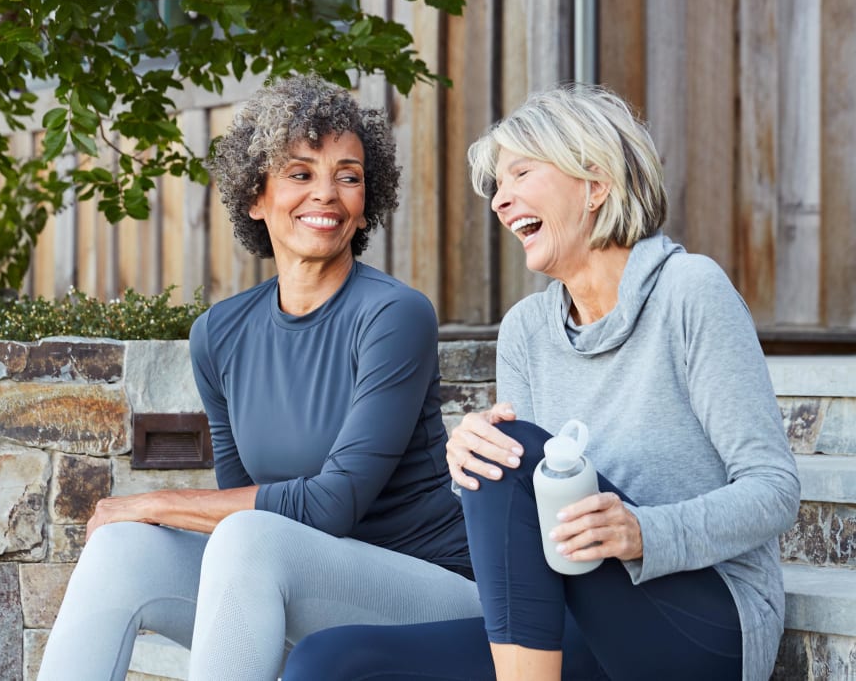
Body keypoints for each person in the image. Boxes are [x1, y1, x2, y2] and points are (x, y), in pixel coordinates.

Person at [281, 84, 800, 680]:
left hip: (706, 624)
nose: (501, 202)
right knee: (332, 662)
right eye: (497, 187)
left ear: (596, 183)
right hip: (573, 623)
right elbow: (520, 519)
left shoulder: (690, 291)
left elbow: (774, 491)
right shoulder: (526, 328)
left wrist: (643, 533)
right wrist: (465, 461)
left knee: (518, 452)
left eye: (521, 173)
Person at [36, 74, 481, 681]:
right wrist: (146, 519)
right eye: (300, 174)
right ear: (255, 196)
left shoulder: (393, 315)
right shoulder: (220, 334)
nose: (326, 194)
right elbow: (238, 500)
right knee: (121, 548)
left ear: (365, 200)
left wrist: (157, 502)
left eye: (347, 176)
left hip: (435, 592)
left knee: (248, 538)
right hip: (299, 587)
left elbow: (333, 505)